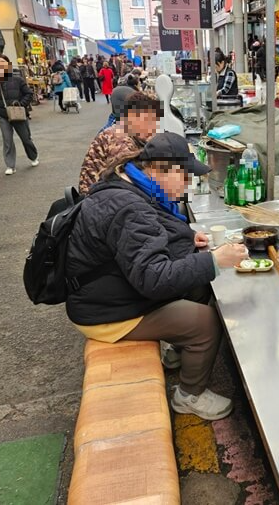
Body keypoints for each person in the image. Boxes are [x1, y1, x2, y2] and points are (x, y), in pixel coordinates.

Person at [66, 132, 249, 420]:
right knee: (205, 322)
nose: (188, 183)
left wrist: (189, 237)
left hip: (107, 289)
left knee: (198, 283)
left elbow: (153, 230)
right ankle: (189, 395)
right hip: (104, 311)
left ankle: (177, 351)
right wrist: (215, 260)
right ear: (164, 168)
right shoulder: (130, 206)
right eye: (186, 175)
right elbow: (153, 278)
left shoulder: (128, 180)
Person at [80, 91, 162, 195]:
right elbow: (137, 182)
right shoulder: (120, 141)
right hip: (100, 201)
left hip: (103, 197)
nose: (154, 128)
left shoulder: (120, 129)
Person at [0, 54, 39, 175]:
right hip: (3, 114)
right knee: (7, 140)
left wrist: (21, 105)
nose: (0, 65)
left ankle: (33, 157)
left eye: (2, 62)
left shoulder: (17, 79)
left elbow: (29, 93)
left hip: (17, 113)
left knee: (25, 138)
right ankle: (10, 165)